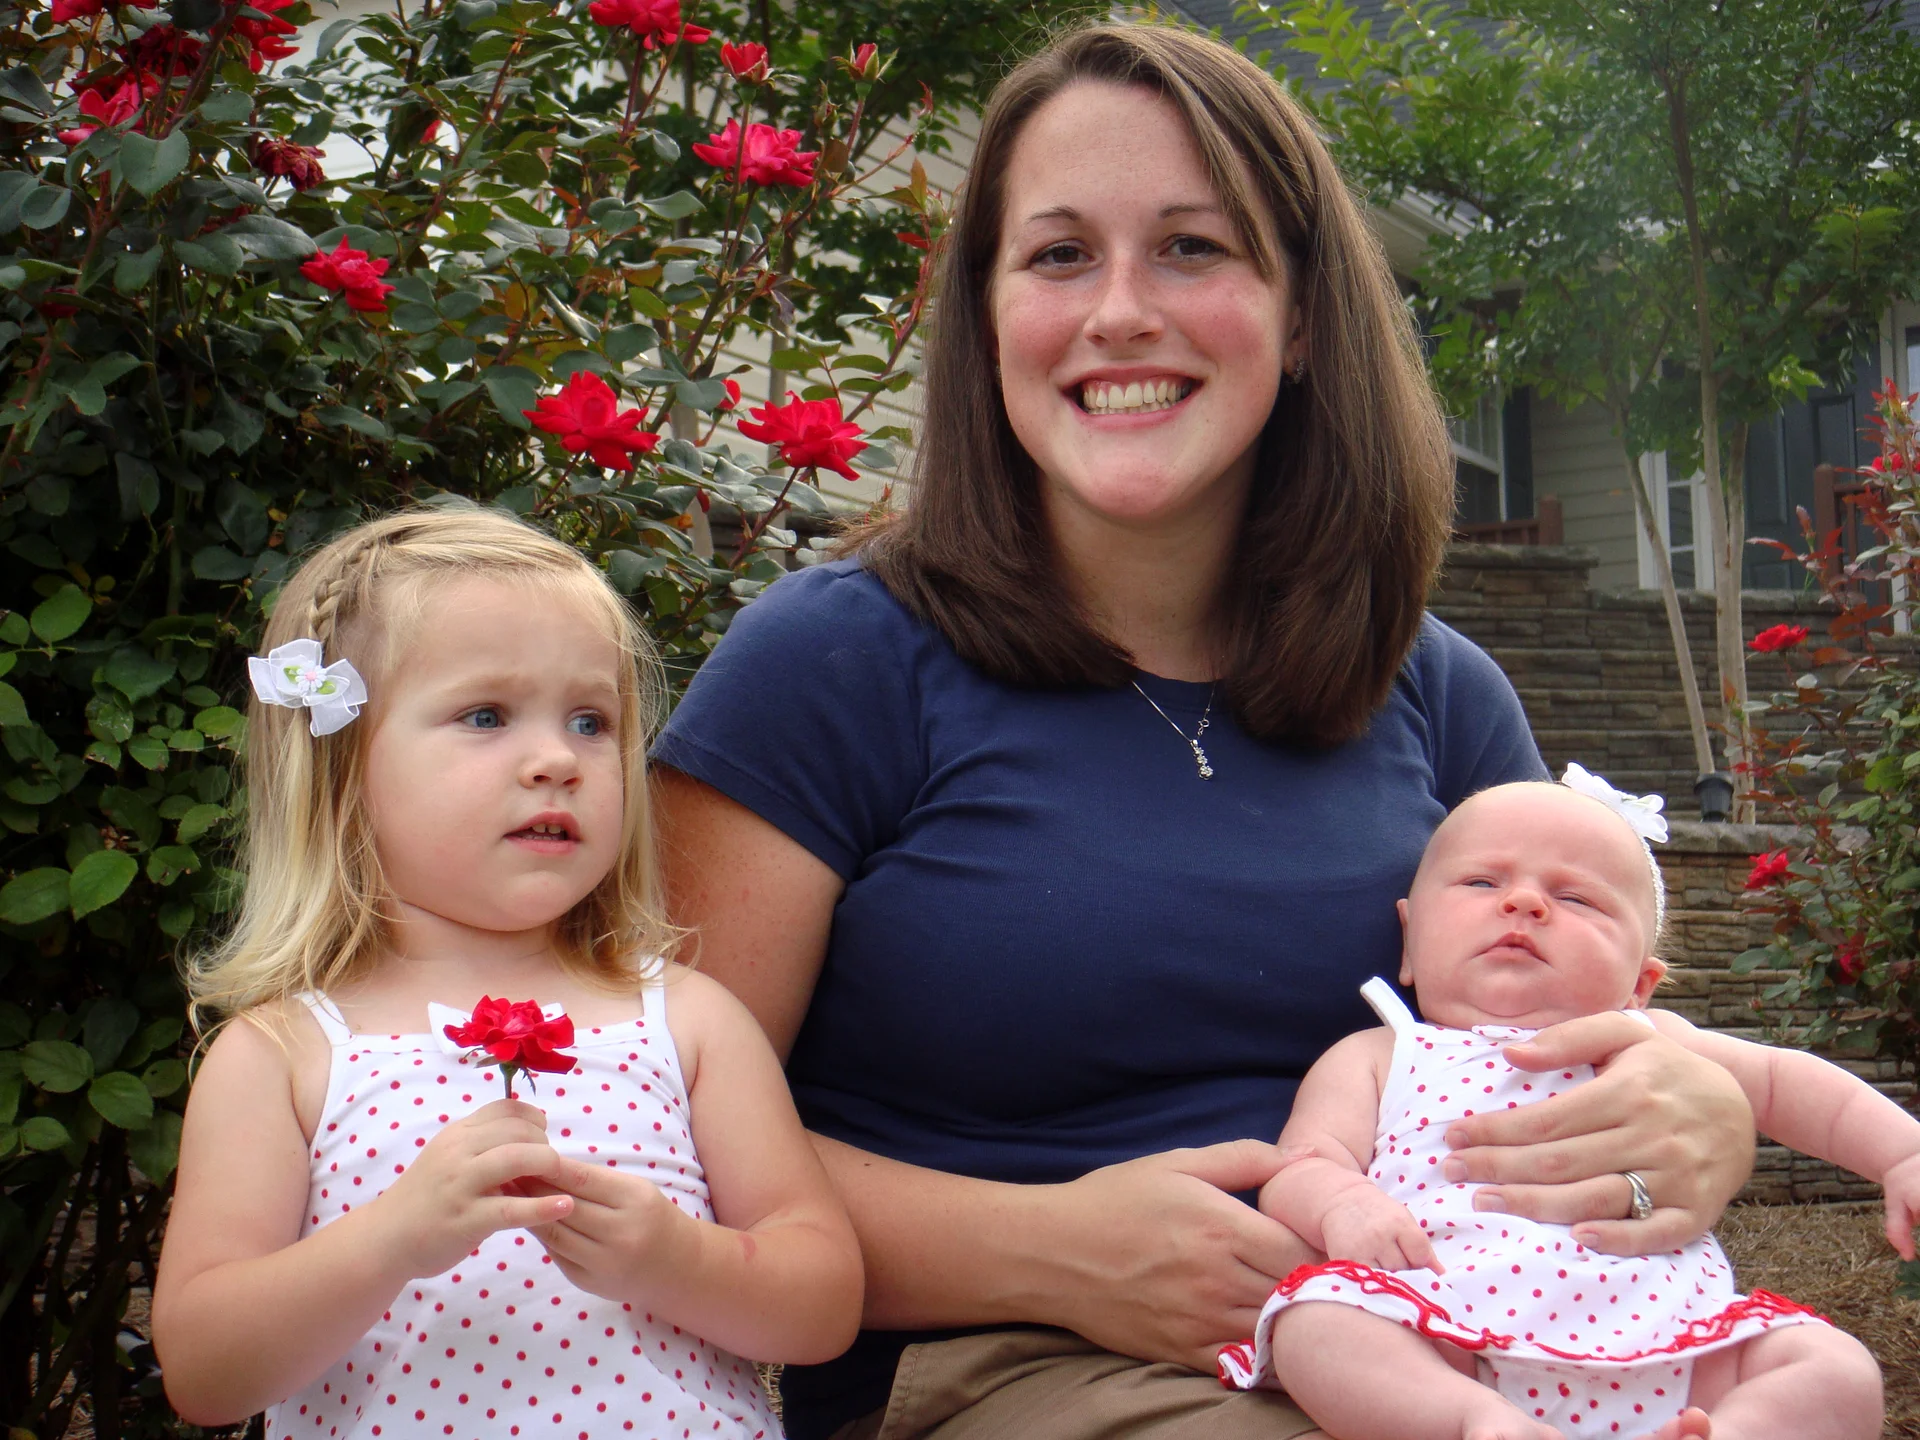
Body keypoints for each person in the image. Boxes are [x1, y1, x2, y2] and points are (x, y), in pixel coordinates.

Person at [652, 23, 1757, 1440]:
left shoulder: (1438, 693)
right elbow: (653, 1140)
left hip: (1445, 1358)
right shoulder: (830, 666)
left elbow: (1574, 1043)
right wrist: (1040, 1250)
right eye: (1059, 255)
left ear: (1301, 319)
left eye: (1191, 247)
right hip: (1003, 1373)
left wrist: (1694, 1127)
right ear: (987, 317)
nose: (1120, 311)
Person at [151, 508, 861, 1440]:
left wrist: (675, 1260)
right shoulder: (282, 1055)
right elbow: (204, 1372)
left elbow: (823, 1305)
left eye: (591, 721)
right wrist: (389, 1240)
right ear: (341, 768)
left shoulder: (687, 1020)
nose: (558, 760)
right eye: (485, 716)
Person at [1229, 773, 1917, 1440]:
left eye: (1577, 898)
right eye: (1481, 883)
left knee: (1836, 1371)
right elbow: (1298, 1164)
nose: (1524, 903)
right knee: (1315, 1321)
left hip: (1674, 1344)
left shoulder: (1646, 1042)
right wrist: (1342, 1203)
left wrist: (1901, 1153)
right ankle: (1473, 1422)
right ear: (1409, 940)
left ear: (1640, 982)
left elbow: (1782, 1080)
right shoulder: (1381, 1054)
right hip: (1441, 1333)